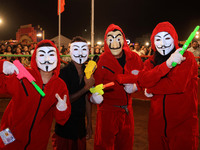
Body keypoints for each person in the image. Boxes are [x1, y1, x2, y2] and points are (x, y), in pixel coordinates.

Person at [122, 22, 198, 150]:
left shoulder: (186, 56)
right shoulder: (151, 61)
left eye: (167, 38)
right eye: (158, 39)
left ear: (174, 39)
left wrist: (151, 88)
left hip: (183, 125)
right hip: (156, 125)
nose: (162, 43)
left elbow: (177, 85)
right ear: (153, 42)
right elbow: (144, 79)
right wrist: (167, 64)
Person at [0, 40, 71, 150]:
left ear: (57, 58)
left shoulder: (60, 86)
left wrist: (62, 110)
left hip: (38, 141)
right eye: (42, 55)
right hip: (8, 133)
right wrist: (1, 66)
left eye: (51, 55)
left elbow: (62, 120)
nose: (47, 59)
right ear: (35, 58)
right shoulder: (23, 76)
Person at [90, 24, 143, 150]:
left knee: (126, 144)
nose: (115, 43)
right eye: (111, 39)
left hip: (127, 111)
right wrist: (92, 97)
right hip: (107, 111)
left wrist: (136, 86)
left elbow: (143, 77)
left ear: (123, 39)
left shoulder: (134, 58)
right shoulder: (101, 61)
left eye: (118, 38)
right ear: (106, 41)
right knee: (104, 145)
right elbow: (92, 86)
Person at [52, 36, 94, 150]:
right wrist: (86, 88)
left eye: (84, 49)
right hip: (65, 126)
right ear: (70, 52)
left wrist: (89, 124)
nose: (80, 53)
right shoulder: (63, 73)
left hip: (80, 126)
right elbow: (66, 100)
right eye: (76, 49)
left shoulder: (88, 71)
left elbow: (87, 99)